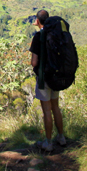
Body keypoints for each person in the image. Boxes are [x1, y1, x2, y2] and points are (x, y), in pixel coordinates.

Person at [29, 9, 66, 152]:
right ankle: (61, 137)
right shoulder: (56, 34)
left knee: (46, 110)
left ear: (37, 21)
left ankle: (48, 142)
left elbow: (34, 62)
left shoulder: (39, 37)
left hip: (44, 78)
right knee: (56, 106)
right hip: (56, 77)